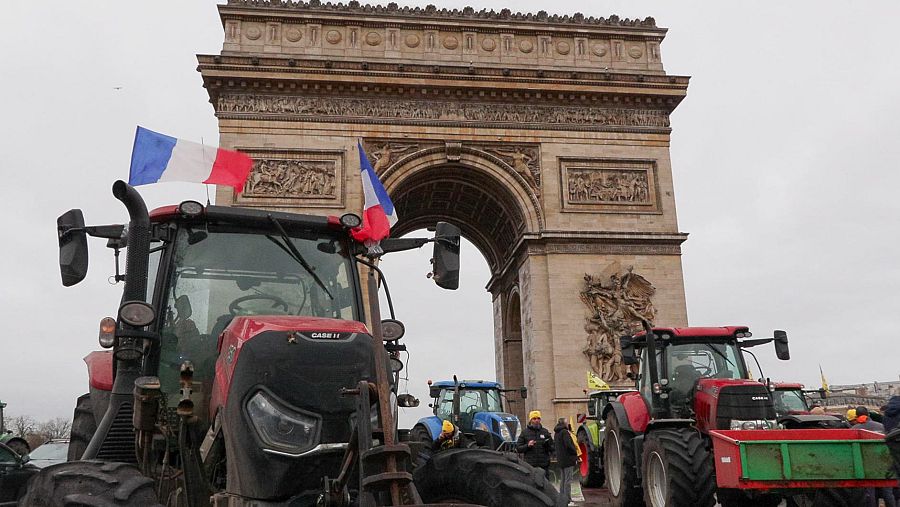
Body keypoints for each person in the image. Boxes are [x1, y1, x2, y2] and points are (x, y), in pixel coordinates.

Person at [852, 407, 895, 507]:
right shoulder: (881, 426)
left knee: (870, 493)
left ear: (857, 416)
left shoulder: (854, 429)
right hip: (884, 463)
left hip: (865, 465)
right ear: (868, 414)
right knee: (887, 491)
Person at [517, 410, 553, 477]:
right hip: (530, 465)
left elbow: (552, 447)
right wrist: (527, 445)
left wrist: (547, 445)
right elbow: (518, 448)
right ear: (530, 420)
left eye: (538, 418)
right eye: (534, 418)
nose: (536, 420)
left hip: (544, 465)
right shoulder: (524, 433)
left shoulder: (545, 432)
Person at [554, 418, 579, 507]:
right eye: (566, 422)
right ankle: (567, 498)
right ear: (564, 423)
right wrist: (575, 452)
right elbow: (568, 445)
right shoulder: (565, 432)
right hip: (568, 459)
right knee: (568, 480)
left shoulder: (556, 433)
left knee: (563, 479)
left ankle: (562, 497)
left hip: (561, 459)